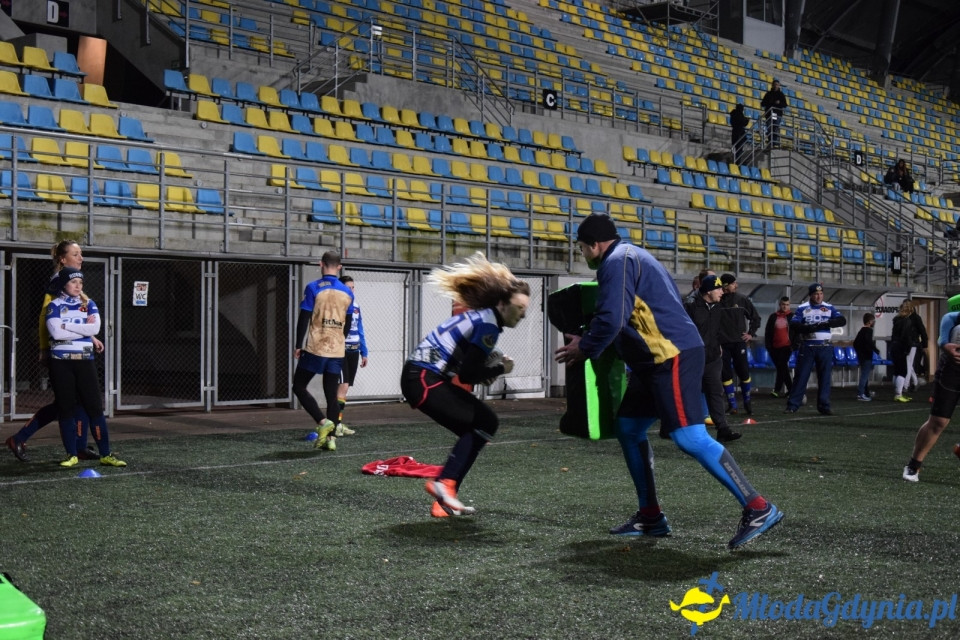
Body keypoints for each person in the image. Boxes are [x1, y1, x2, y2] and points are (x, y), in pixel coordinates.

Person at [554, 214, 782, 549]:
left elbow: (613, 317)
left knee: (689, 438)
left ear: (594, 245)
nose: (583, 254)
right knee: (629, 430)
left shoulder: (616, 262)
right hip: (655, 359)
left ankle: (758, 507)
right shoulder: (632, 255)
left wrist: (584, 347)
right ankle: (650, 516)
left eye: (582, 248)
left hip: (669, 357)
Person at [400, 252, 529, 518]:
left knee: (478, 429)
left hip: (421, 377)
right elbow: (469, 375)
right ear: (502, 304)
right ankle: (445, 485)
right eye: (519, 308)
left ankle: (444, 499)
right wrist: (499, 369)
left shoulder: (483, 317)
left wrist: (483, 371)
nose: (523, 315)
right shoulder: (489, 325)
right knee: (485, 422)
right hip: (423, 379)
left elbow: (462, 365)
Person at [6, 240, 101, 462]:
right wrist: (44, 348)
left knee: (76, 401)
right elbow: (46, 317)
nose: (81, 258)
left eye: (81, 254)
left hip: (75, 348)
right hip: (61, 351)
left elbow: (75, 314)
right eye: (76, 254)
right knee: (66, 404)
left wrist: (91, 336)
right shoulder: (59, 281)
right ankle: (20, 438)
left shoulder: (73, 279)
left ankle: (78, 446)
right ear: (62, 259)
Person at [45, 269, 126, 468]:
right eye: (73, 282)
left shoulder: (88, 304)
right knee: (66, 409)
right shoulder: (54, 305)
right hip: (61, 362)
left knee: (94, 408)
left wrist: (66, 326)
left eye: (80, 282)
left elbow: (95, 329)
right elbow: (55, 333)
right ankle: (71, 455)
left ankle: (106, 454)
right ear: (64, 284)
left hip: (85, 360)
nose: (78, 286)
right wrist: (82, 329)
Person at [293, 250, 354, 452]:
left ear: (321, 264)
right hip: (337, 349)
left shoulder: (313, 287)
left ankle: (322, 422)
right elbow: (348, 323)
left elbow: (304, 318)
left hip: (317, 346)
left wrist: (298, 344)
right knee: (331, 395)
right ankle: (331, 439)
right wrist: (339, 339)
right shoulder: (347, 292)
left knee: (299, 386)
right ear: (339, 267)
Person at [902, 295, 960, 482]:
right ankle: (913, 465)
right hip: (953, 369)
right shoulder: (954, 318)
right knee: (938, 421)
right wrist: (945, 344)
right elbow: (947, 326)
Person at [684, 274, 741, 443]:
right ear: (709, 291)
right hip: (693, 358)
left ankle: (723, 429)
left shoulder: (717, 306)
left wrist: (718, 345)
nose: (722, 292)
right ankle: (673, 427)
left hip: (713, 357)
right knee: (688, 393)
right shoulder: (690, 305)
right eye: (718, 289)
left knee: (715, 392)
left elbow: (715, 330)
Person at [784, 283, 846, 415]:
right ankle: (792, 405)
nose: (819, 296)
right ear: (810, 295)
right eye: (816, 294)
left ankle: (824, 406)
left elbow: (842, 320)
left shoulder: (829, 307)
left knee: (825, 377)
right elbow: (794, 324)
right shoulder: (803, 308)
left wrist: (827, 323)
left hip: (825, 347)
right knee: (801, 376)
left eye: (821, 294)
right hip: (808, 346)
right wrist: (809, 328)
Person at [717, 273, 760, 415]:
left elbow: (755, 318)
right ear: (725, 286)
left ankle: (747, 402)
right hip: (722, 344)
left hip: (738, 343)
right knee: (725, 374)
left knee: (743, 372)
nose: (736, 285)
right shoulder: (716, 300)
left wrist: (750, 334)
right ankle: (732, 405)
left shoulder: (741, 299)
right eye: (733, 283)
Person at [334, 274, 368, 437]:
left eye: (353, 287)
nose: (352, 290)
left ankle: (337, 423)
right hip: (340, 351)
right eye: (348, 287)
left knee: (345, 389)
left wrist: (364, 352)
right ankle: (335, 424)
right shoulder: (336, 306)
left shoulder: (356, 306)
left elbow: (360, 329)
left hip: (354, 350)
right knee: (343, 386)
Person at [764, 296, 793, 398]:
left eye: (787, 305)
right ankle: (785, 390)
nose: (785, 307)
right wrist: (768, 346)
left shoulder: (792, 317)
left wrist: (794, 345)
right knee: (781, 368)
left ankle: (782, 390)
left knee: (782, 367)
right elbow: (768, 332)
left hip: (787, 347)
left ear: (789, 305)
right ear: (780, 305)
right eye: (783, 304)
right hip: (774, 347)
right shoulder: (773, 317)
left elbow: (796, 332)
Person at [891, 300, 915, 402]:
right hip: (901, 347)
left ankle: (896, 392)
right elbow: (906, 336)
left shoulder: (896, 320)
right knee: (902, 371)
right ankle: (898, 394)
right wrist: (907, 348)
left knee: (896, 371)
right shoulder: (907, 321)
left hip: (894, 346)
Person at [853, 312, 880, 402]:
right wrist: (875, 350)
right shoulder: (869, 331)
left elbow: (855, 343)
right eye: (873, 321)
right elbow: (869, 342)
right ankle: (860, 394)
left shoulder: (861, 330)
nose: (874, 322)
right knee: (864, 376)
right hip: (866, 356)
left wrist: (859, 352)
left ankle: (866, 392)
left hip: (861, 356)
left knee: (864, 375)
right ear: (869, 322)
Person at [905, 304, 928, 393]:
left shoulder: (914, 318)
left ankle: (906, 385)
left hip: (912, 343)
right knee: (908, 364)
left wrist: (924, 345)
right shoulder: (912, 318)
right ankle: (914, 382)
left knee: (908, 363)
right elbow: (922, 331)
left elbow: (922, 331)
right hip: (911, 343)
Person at [760, 80, 787, 149]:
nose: (775, 86)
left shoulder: (781, 94)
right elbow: (762, 103)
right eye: (774, 84)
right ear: (772, 85)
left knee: (775, 127)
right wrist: (769, 103)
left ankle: (773, 142)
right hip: (769, 114)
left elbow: (785, 104)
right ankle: (771, 142)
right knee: (770, 128)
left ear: (779, 86)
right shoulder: (768, 94)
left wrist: (779, 103)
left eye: (777, 84)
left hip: (777, 113)